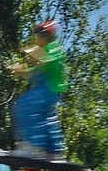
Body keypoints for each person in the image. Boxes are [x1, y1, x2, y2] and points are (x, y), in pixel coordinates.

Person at [11, 20, 67, 158]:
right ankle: (54, 150)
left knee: (24, 106)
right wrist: (21, 72)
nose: (36, 39)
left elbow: (45, 62)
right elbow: (36, 72)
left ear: (44, 36)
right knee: (46, 117)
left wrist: (32, 52)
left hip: (49, 89)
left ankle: (32, 146)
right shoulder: (49, 50)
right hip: (50, 89)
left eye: (38, 36)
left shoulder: (52, 49)